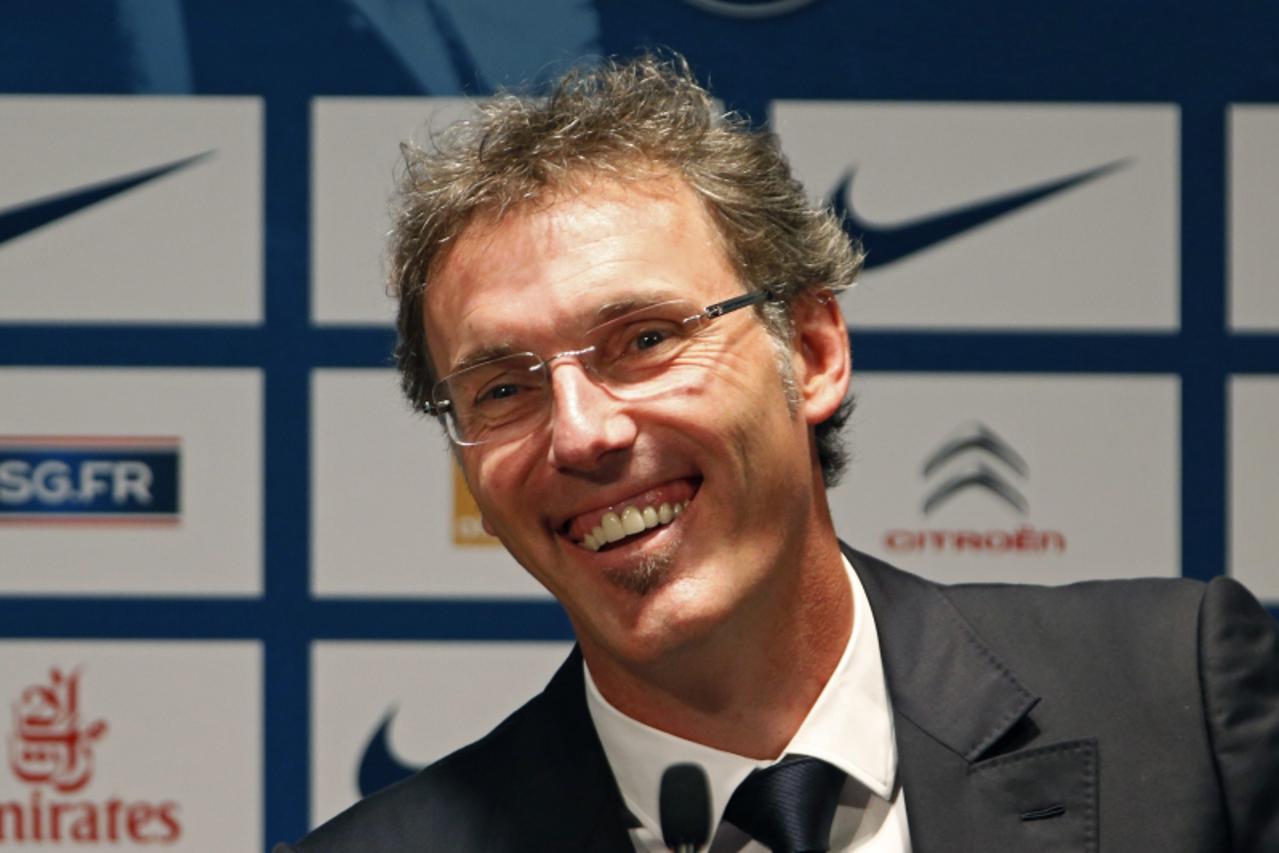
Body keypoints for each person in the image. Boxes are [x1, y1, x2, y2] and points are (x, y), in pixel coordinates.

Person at [278, 53, 1279, 852]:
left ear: (810, 349)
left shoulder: (1177, 700)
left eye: (645, 339)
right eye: (502, 388)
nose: (580, 431)